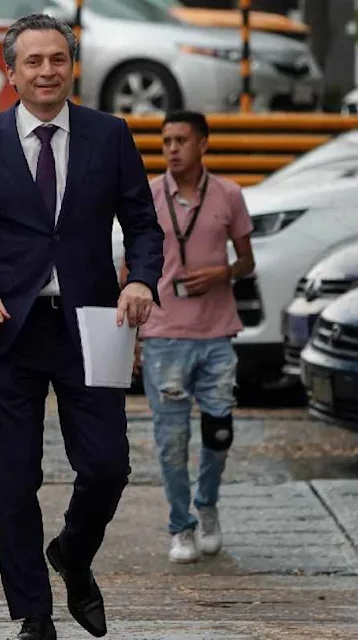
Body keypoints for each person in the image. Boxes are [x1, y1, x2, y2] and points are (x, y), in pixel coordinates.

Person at [0, 14, 164, 640]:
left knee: (108, 466)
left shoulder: (110, 135)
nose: (46, 71)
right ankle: (34, 615)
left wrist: (142, 280)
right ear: (11, 72)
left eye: (57, 59)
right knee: (12, 479)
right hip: (11, 327)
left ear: (72, 67)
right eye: (33, 61)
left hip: (94, 324)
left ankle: (73, 553)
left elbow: (143, 224)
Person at [124, 110, 254, 565]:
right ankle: (181, 525)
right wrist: (131, 338)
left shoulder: (229, 194)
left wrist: (223, 273)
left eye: (181, 140)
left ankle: (207, 505)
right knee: (171, 439)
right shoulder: (147, 196)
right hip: (164, 336)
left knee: (219, 432)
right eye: (166, 141)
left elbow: (248, 262)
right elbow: (129, 269)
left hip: (217, 332)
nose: (172, 149)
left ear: (203, 144)